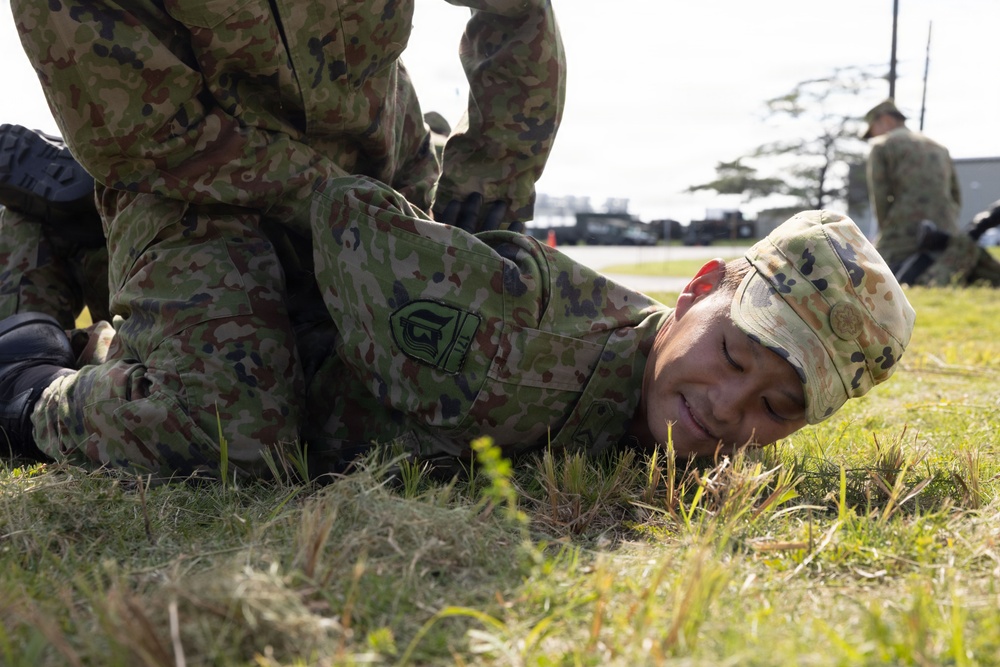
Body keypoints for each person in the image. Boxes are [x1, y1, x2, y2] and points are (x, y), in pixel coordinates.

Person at [1, 0, 565, 476]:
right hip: (187, 188)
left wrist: (492, 178)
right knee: (233, 429)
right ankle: (30, 389)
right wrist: (350, 212)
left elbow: (514, 11)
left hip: (381, 165)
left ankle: (87, 242)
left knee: (419, 380)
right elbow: (142, 137)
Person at [862, 99, 1000, 286]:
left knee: (871, 272)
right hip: (946, 228)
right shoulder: (939, 147)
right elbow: (955, 194)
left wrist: (886, 232)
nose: (873, 136)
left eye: (873, 129)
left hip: (903, 229)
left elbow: (880, 196)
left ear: (885, 121)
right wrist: (949, 224)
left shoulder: (882, 146)